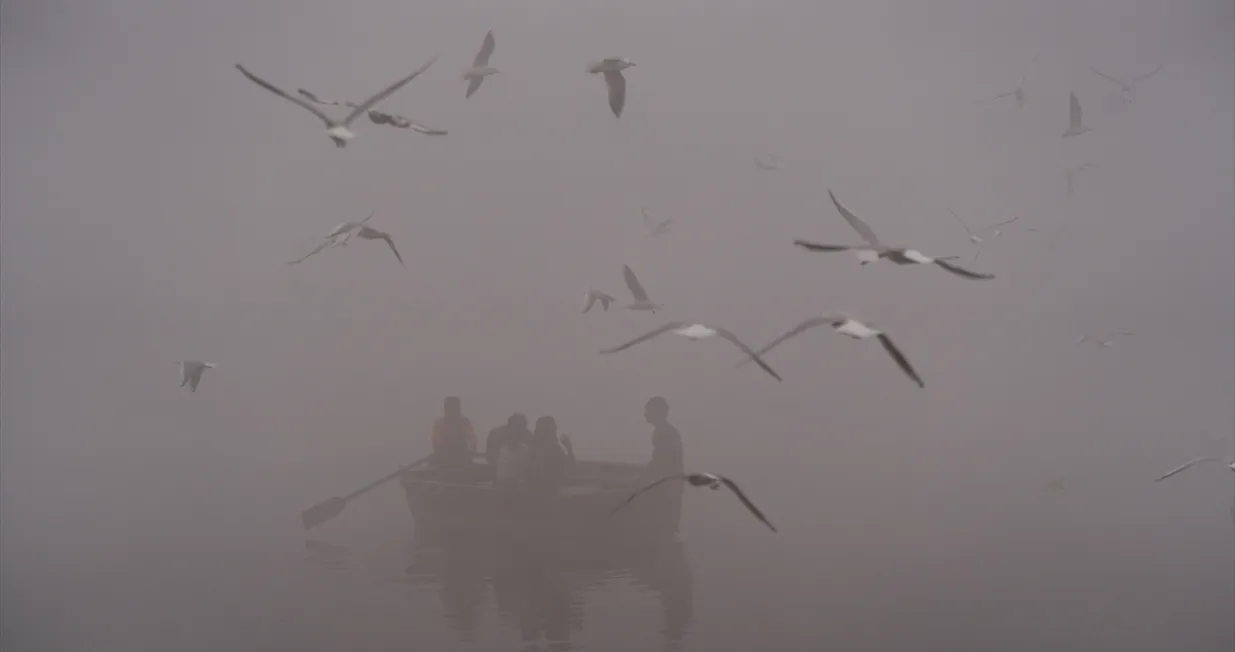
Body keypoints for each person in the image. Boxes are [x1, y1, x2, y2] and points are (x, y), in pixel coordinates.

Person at [641, 396, 685, 535]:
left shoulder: (663, 432)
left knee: (666, 525)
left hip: (669, 485)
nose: (645, 414)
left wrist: (646, 475)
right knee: (669, 525)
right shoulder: (665, 430)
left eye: (648, 410)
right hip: (673, 483)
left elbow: (663, 461)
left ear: (657, 412)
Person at [526, 416, 573, 504]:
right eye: (554, 430)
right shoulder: (553, 449)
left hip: (532, 498)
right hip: (549, 499)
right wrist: (569, 448)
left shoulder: (532, 449)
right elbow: (569, 472)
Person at [431, 396, 478, 471]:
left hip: (461, 456)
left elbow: (472, 437)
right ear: (446, 409)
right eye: (450, 408)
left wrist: (473, 447)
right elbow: (436, 441)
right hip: (444, 458)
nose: (452, 411)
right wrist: (443, 450)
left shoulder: (464, 422)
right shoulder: (439, 423)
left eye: (454, 408)